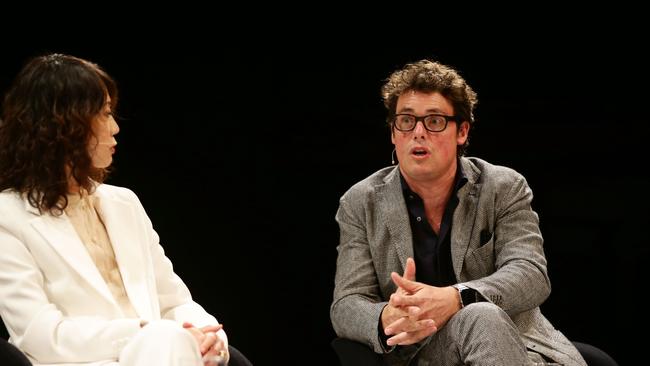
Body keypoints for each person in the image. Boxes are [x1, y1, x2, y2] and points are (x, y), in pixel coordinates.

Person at [330, 59, 587, 365]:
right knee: (479, 317)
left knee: (479, 314)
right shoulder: (360, 202)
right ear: (393, 133)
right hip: (421, 353)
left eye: (435, 121)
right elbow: (346, 304)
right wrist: (388, 315)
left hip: (519, 351)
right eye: (406, 121)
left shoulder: (502, 187)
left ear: (461, 131)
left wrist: (456, 297)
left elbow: (530, 274)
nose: (418, 133)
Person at [0, 54, 252, 366]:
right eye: (104, 114)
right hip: (84, 362)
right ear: (65, 124)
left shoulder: (124, 204)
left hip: (169, 353)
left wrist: (208, 335)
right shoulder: (7, 216)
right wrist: (147, 333)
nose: (115, 128)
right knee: (167, 340)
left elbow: (174, 301)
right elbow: (41, 335)